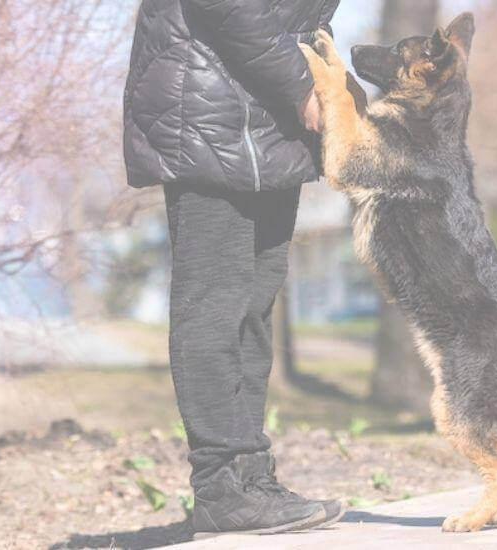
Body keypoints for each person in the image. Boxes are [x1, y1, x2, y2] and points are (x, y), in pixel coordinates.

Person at [122, 0, 342, 537]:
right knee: (213, 306)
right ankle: (221, 486)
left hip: (265, 119)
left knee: (252, 307)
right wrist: (301, 85)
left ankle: (250, 479)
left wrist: (324, 74)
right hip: (209, 110)